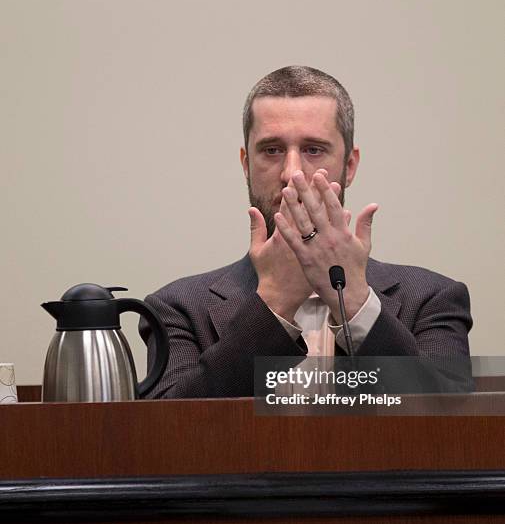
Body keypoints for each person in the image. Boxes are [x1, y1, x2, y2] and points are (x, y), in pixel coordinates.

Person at [139, 66, 472, 399]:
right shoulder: (177, 308)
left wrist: (354, 299)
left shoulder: (432, 298)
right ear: (246, 165)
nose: (291, 172)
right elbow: (170, 438)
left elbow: (453, 428)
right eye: (272, 150)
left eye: (313, 150)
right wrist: (274, 302)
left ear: (350, 165)